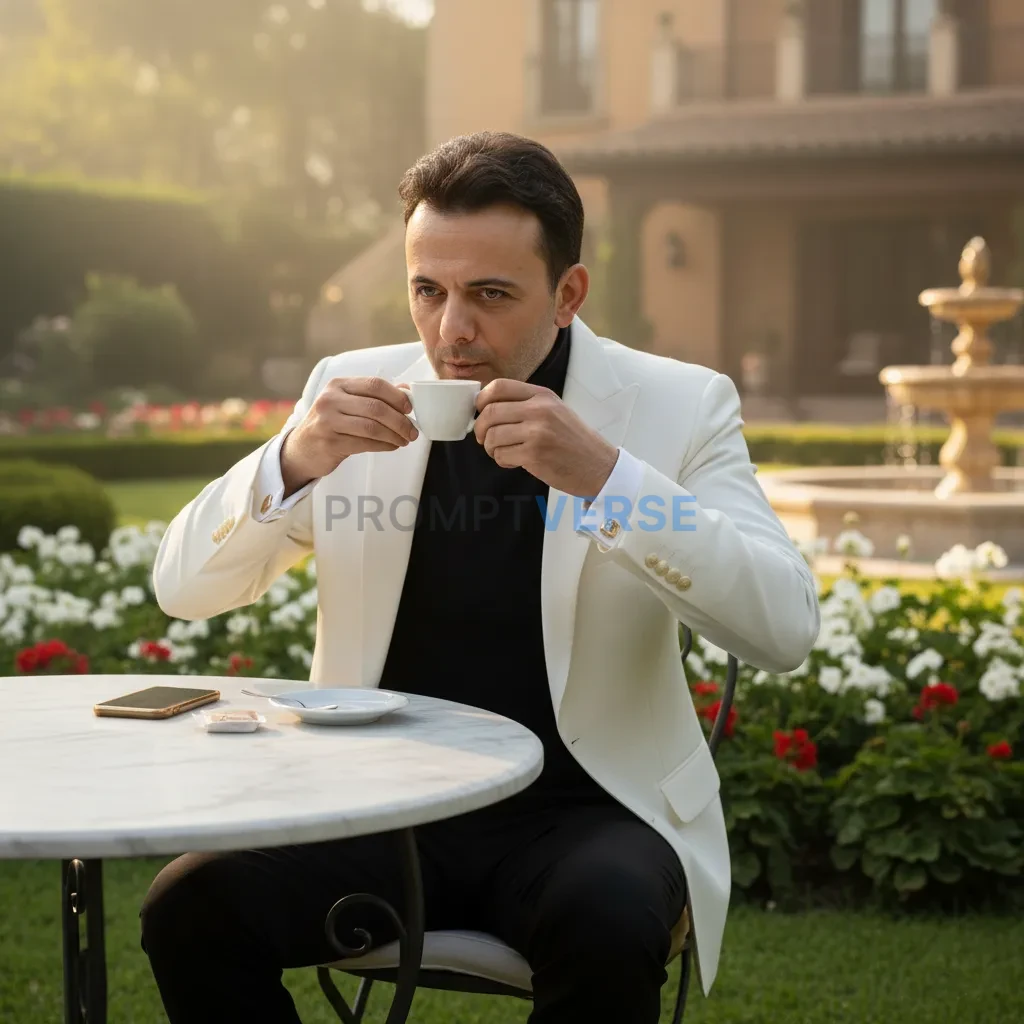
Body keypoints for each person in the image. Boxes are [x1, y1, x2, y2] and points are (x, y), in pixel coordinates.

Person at [144, 131, 820, 1023]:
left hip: (587, 813)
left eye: (491, 295)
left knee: (609, 924)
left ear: (568, 293)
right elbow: (184, 589)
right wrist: (295, 458)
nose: (450, 332)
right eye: (428, 291)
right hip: (377, 810)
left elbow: (784, 626)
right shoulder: (348, 390)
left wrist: (610, 479)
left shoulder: (678, 405)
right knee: (189, 906)